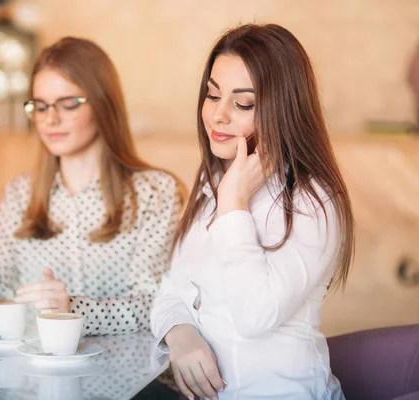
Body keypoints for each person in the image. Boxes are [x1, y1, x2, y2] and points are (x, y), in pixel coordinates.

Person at [0, 37, 184, 341]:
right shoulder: (21, 193)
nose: (50, 119)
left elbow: (155, 303)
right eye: (40, 106)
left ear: (104, 104)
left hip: (126, 381)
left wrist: (73, 310)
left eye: (68, 103)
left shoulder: (155, 192)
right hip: (35, 379)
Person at [151, 23, 355, 400]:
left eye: (243, 103)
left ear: (284, 109)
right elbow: (171, 290)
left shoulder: (314, 202)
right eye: (213, 95)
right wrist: (181, 335)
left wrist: (234, 204)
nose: (218, 116)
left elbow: (254, 316)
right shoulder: (212, 181)